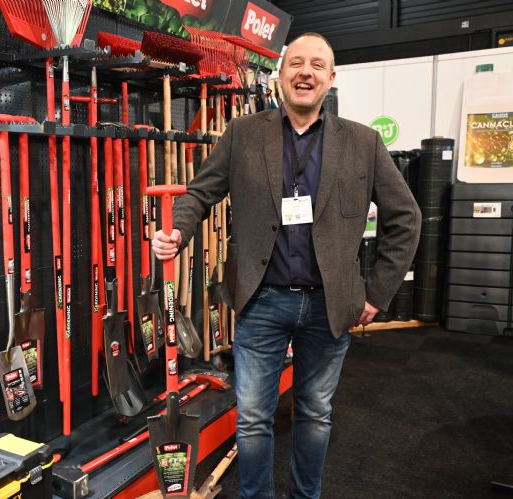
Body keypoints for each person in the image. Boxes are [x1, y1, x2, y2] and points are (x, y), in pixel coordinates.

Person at [152, 32, 421, 498]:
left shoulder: (363, 142)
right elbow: (199, 193)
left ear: (330, 78)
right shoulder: (243, 134)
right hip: (261, 301)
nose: (305, 73)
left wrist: (376, 294)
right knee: (253, 417)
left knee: (315, 414)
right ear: (280, 75)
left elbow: (406, 219)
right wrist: (178, 230)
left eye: (317, 65)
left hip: (329, 306)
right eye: (296, 63)